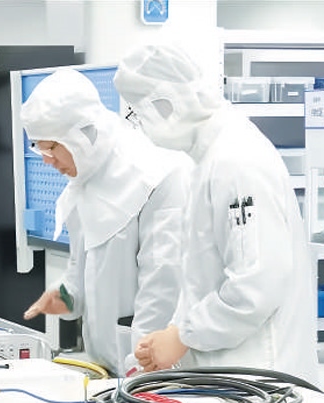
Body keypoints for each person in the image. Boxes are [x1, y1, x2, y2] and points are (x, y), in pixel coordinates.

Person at [113, 40, 320, 385]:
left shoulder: (235, 160)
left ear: (165, 105)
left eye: (137, 114)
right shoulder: (206, 159)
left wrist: (183, 336)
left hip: (261, 378)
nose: (140, 125)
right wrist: (174, 334)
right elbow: (204, 279)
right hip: (231, 374)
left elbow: (256, 286)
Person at [20, 67, 194, 376]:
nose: (45, 160)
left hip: (152, 372)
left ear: (82, 136)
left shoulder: (157, 177)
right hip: (107, 367)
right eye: (38, 147)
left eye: (50, 147)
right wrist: (67, 295)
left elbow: (164, 285)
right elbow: (84, 262)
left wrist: (142, 370)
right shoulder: (86, 178)